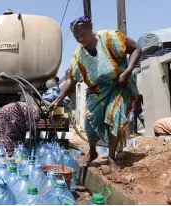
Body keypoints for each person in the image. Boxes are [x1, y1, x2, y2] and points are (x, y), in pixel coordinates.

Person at [49, 16, 142, 170]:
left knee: (115, 116)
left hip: (118, 85)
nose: (80, 39)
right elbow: (71, 80)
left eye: (82, 34)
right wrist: (58, 99)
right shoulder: (79, 55)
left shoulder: (110, 37)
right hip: (96, 91)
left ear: (90, 28)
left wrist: (127, 72)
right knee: (90, 123)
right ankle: (92, 152)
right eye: (76, 37)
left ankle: (111, 157)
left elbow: (137, 49)